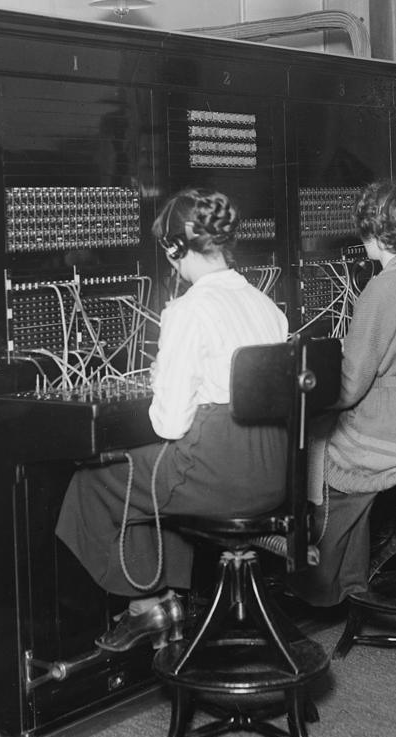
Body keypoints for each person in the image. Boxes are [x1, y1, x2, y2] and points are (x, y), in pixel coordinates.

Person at [55, 188, 289, 651]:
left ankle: (148, 607)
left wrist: (163, 369)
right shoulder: (267, 307)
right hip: (272, 473)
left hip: (218, 474)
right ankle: (167, 601)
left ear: (175, 247)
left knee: (95, 481)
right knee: (147, 481)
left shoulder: (189, 310)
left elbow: (168, 425)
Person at [288, 180, 396, 607]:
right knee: (338, 447)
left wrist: (309, 393)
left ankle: (323, 590)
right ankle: (352, 584)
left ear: (375, 234)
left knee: (319, 449)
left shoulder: (382, 288)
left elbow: (349, 388)